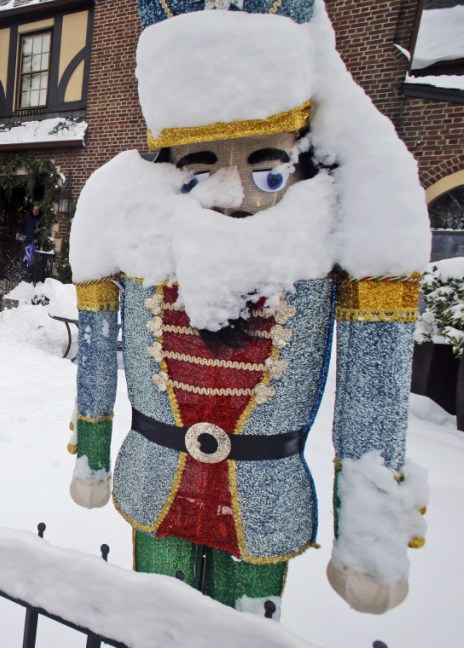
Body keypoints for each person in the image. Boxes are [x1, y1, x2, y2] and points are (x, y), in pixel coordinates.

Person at [67, 0, 429, 620]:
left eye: (267, 169)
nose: (232, 195)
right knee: (156, 617)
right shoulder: (130, 223)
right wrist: (92, 453)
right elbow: (99, 342)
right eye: (200, 167)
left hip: (265, 496)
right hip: (155, 476)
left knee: (244, 628)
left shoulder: (329, 235)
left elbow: (373, 388)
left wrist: (369, 536)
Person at [17, 203, 41, 281]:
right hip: (25, 243)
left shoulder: (40, 219)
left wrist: (38, 239)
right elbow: (21, 227)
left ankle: (29, 279)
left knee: (31, 263)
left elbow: (42, 232)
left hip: (34, 244)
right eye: (34, 210)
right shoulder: (27, 217)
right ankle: (21, 279)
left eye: (37, 210)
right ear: (32, 210)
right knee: (23, 260)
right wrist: (19, 235)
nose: (36, 211)